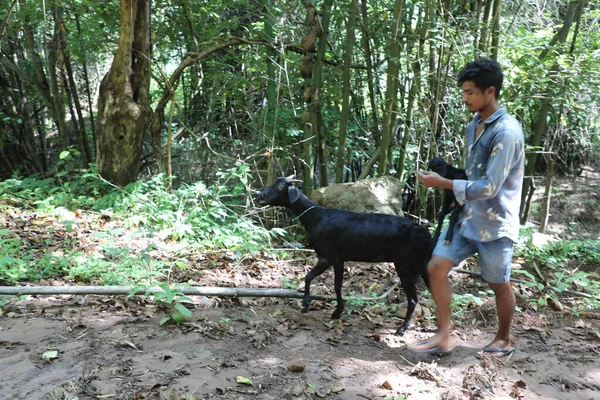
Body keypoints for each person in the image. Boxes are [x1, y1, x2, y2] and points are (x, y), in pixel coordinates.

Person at [413, 59, 525, 358]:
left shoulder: (507, 132)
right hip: (467, 216)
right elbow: (471, 174)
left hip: (496, 221)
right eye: (463, 91)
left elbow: (490, 186)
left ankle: (504, 338)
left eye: (470, 92)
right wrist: (450, 180)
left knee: (498, 284)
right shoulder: (474, 124)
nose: (465, 98)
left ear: (490, 92)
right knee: (436, 268)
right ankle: (444, 335)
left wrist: (443, 183)